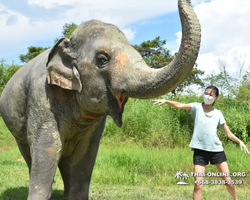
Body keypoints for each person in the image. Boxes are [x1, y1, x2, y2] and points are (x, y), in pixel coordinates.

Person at [152, 85, 249, 200]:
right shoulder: (196, 107)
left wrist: (240, 141)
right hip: (200, 150)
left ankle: (235, 199)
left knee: (229, 183)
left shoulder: (218, 113)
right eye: (206, 93)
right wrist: (166, 101)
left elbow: (229, 134)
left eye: (211, 94)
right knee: (198, 185)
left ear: (216, 98)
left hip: (216, 151)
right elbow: (179, 105)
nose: (207, 96)